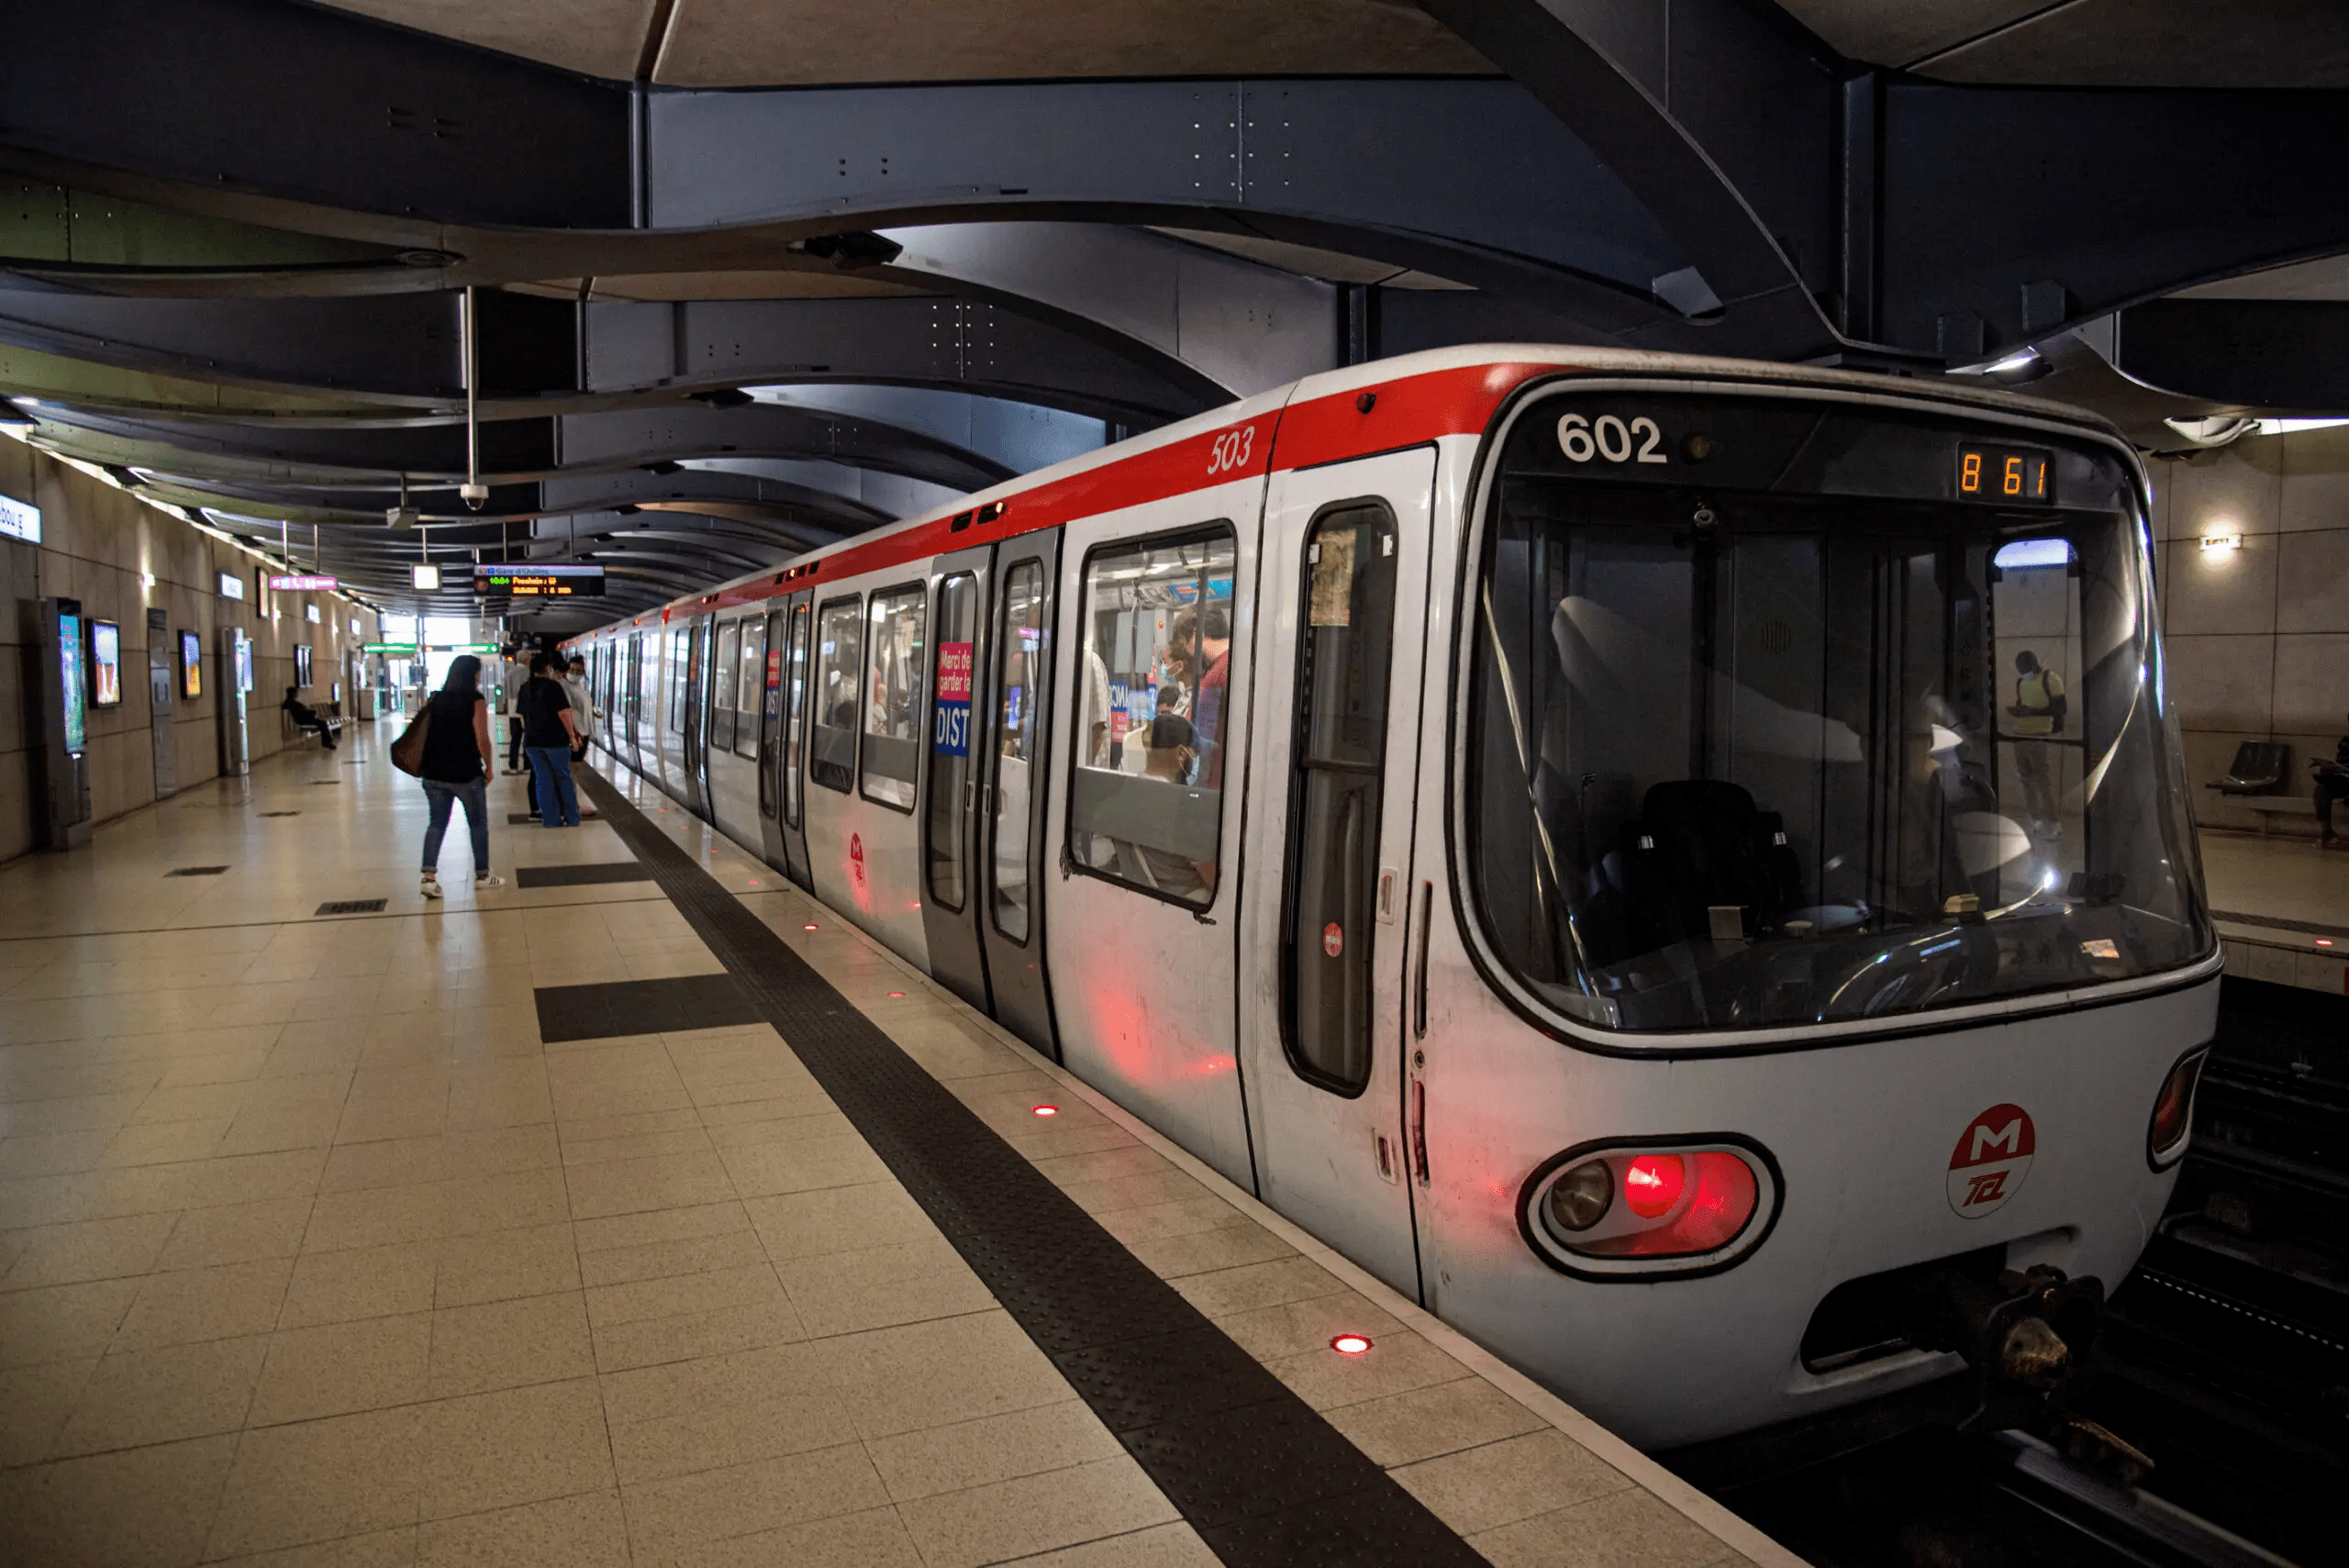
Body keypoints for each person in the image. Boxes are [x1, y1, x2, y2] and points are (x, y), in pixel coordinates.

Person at [415, 654, 504, 899]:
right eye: (478, 672)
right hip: (465, 773)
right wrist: (489, 765)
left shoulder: (436, 698)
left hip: (434, 773)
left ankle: (428, 879)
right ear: (473, 675)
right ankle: (483, 875)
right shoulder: (475, 700)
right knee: (477, 825)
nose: (480, 676)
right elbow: (482, 738)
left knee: (436, 824)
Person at [518, 652, 582, 828]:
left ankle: (550, 819)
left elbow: (522, 716)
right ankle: (572, 818)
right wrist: (572, 737)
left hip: (532, 742)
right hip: (555, 742)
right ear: (547, 668)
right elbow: (564, 713)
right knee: (563, 778)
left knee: (543, 779)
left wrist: (530, 732)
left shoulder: (525, 688)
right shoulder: (553, 687)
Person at [2007, 649, 2065, 837]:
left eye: (2024, 668)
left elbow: (2061, 707)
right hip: (2019, 735)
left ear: (2033, 664)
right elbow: (2022, 702)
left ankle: (2055, 823)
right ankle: (2036, 821)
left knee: (2042, 781)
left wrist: (2035, 712)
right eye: (2019, 670)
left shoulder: (2050, 679)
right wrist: (2018, 711)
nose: (2023, 672)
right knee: (2026, 782)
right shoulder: (2021, 682)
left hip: (2038, 735)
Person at [2314, 714, 2349, 847]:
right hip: (2345, 780)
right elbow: (2341, 764)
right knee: (2321, 788)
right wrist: (2330, 768)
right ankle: (2326, 831)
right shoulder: (2345, 743)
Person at [497, 647, 529, 772]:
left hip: (512, 710)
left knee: (514, 740)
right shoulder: (528, 672)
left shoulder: (509, 673)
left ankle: (513, 766)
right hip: (526, 711)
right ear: (525, 660)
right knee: (527, 739)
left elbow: (505, 693)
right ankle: (527, 766)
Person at [282, 686, 336, 751]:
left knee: (322, 723)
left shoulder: (290, 703)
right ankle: (326, 742)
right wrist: (310, 712)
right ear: (293, 694)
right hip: (304, 720)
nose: (297, 694)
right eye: (296, 693)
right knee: (322, 723)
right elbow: (302, 713)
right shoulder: (293, 703)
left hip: (303, 719)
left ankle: (327, 741)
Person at [564, 656, 596, 762]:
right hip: (577, 732)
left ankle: (575, 779)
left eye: (578, 671)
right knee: (574, 763)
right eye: (572, 670)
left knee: (578, 762)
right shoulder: (565, 686)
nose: (575, 673)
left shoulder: (580, 685)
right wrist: (574, 735)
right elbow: (566, 710)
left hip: (585, 731)